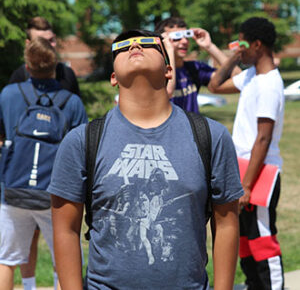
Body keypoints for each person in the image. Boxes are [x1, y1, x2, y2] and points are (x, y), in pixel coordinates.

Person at [48, 29, 244, 290]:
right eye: (122, 46)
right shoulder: (81, 141)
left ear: (169, 70)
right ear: (113, 77)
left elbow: (227, 223)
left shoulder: (212, 136)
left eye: (148, 44)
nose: (134, 46)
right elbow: (65, 230)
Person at [0, 37, 88, 290]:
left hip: (13, 191)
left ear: (26, 67)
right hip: (56, 195)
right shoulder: (71, 102)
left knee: (6, 260)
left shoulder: (7, 95)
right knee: (66, 264)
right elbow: (81, 150)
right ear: (56, 67)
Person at [208, 17, 285, 289]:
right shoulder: (251, 76)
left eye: (243, 43)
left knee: (262, 238)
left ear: (258, 44)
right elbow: (215, 86)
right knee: (244, 239)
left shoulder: (269, 84)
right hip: (241, 166)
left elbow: (263, 138)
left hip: (260, 172)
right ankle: (254, 284)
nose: (240, 48)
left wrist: (247, 185)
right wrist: (232, 55)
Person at [155, 17, 241, 113]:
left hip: (192, 128)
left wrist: (209, 46)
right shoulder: (154, 71)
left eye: (186, 36)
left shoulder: (194, 68)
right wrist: (167, 49)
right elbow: (168, 93)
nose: (185, 41)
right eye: (176, 37)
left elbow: (239, 78)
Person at [9, 16, 81, 97]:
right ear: (28, 44)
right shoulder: (19, 77)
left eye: (51, 40)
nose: (48, 46)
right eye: (41, 42)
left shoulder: (67, 74)